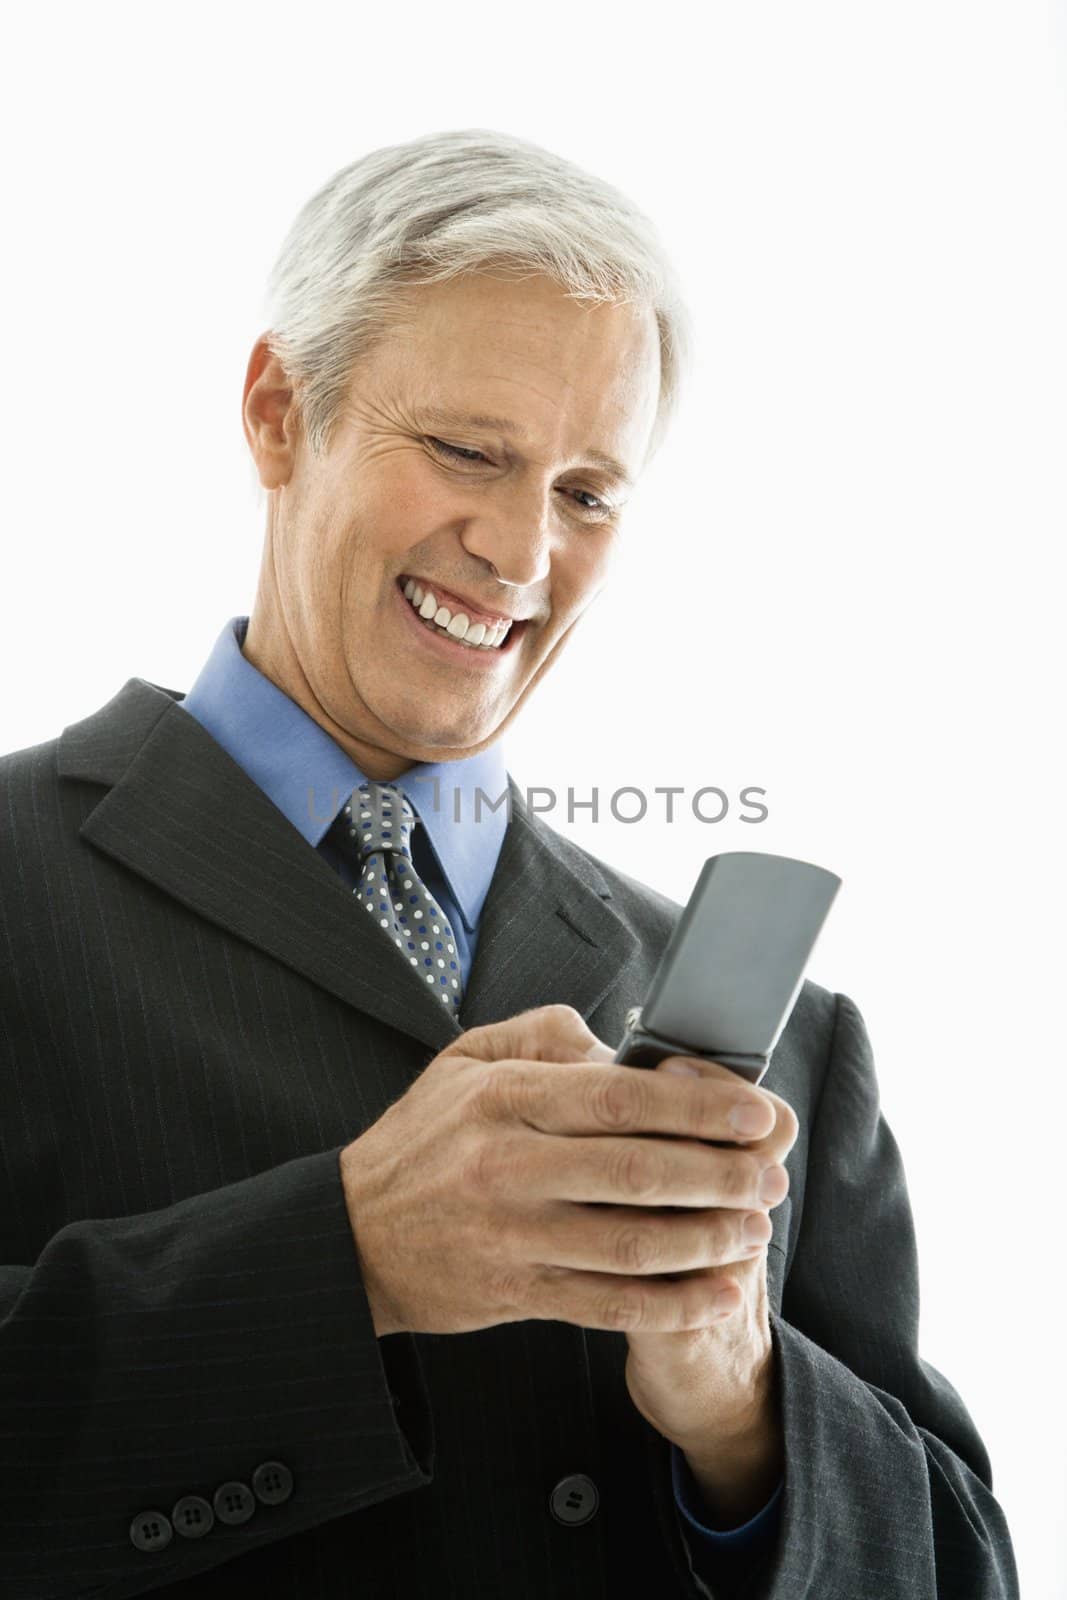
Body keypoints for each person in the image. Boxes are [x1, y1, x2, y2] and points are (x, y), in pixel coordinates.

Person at [0, 127, 1019, 1600]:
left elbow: (963, 1570)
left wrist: (743, 1413)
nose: (521, 548)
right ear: (281, 411)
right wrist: (343, 1261)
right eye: (470, 452)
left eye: (589, 493)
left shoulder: (795, 1042)